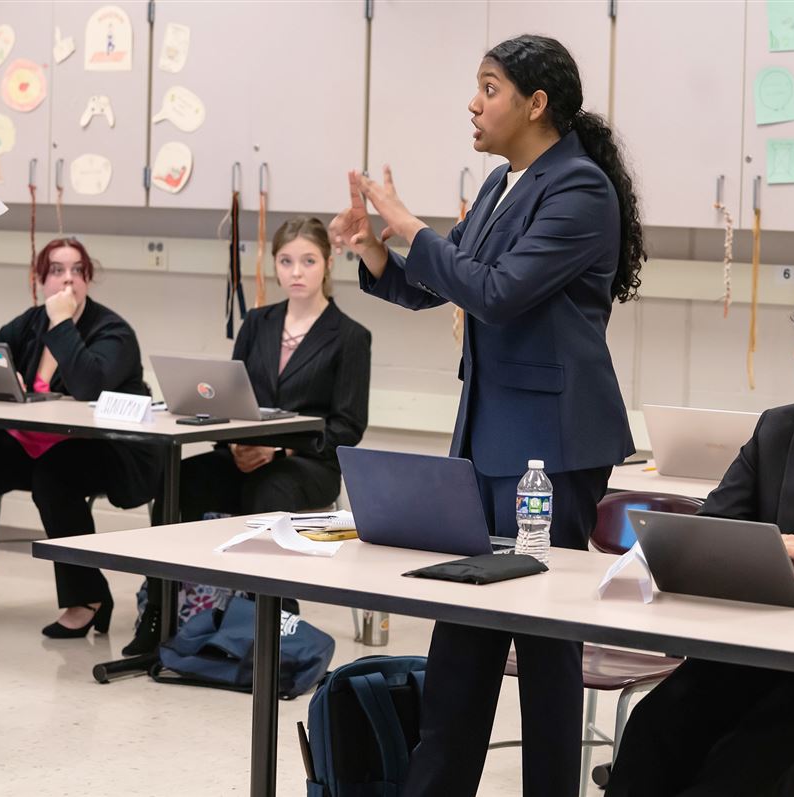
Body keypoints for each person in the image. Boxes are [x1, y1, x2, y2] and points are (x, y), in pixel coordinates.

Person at [330, 35, 643, 797]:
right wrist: (376, 251)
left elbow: (499, 292)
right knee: (462, 635)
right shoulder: (507, 180)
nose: (474, 102)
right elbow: (442, 286)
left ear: (537, 105)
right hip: (489, 435)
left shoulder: (579, 188)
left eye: (491, 88)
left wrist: (409, 223)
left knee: (543, 642)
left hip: (552, 439)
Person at [605, 272, 794, 797]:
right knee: (652, 730)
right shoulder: (781, 429)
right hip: (763, 646)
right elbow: (713, 523)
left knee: (736, 771)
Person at [122, 216, 372, 656]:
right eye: (287, 261)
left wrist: (276, 447)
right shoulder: (256, 323)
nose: (296, 271)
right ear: (274, 265)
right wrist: (237, 445)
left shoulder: (350, 336)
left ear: (328, 264)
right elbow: (231, 399)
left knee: (267, 490)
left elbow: (346, 428)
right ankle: (160, 609)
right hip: (243, 454)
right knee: (178, 482)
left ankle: (273, 622)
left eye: (308, 261)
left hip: (308, 465)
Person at [0, 238, 163, 639]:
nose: (68, 280)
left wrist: (63, 324)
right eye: (57, 270)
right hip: (34, 443)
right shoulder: (30, 322)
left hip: (106, 450)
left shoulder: (112, 331)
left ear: (88, 278)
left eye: (78, 270)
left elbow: (88, 385)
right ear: (40, 279)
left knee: (54, 477)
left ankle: (88, 598)